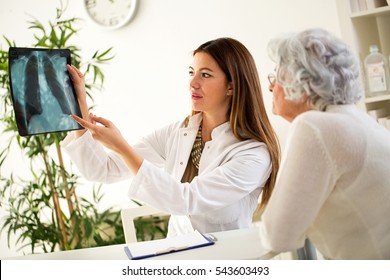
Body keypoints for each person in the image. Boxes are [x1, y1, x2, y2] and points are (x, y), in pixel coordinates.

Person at [62, 37, 280, 237]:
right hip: (176, 256)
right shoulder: (178, 132)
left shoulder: (254, 154)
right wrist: (78, 98)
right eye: (191, 72)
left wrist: (121, 146)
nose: (193, 83)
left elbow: (186, 200)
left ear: (231, 87)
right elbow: (103, 170)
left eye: (205, 75)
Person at [258, 28, 390, 259]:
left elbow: (277, 235)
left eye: (277, 76)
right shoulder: (362, 122)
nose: (270, 87)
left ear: (302, 80)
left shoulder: (314, 126)